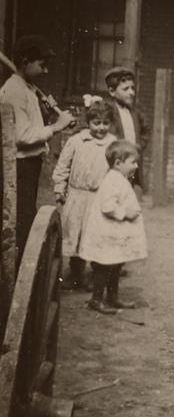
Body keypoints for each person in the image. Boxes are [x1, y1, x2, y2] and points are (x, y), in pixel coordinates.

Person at [0, 34, 74, 263]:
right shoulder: (14, 91)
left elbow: (31, 125)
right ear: (25, 62)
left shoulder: (29, 89)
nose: (46, 70)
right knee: (21, 221)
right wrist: (57, 126)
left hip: (30, 165)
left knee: (26, 216)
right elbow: (22, 136)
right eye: (42, 65)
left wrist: (47, 114)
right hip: (19, 166)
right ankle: (17, 271)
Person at [52, 97, 116, 291]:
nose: (101, 128)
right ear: (88, 122)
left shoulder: (113, 144)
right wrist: (59, 188)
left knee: (94, 237)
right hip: (77, 196)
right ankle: (75, 274)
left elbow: (117, 172)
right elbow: (63, 166)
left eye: (105, 123)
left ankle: (95, 278)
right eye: (96, 123)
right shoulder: (76, 141)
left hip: (98, 198)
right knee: (75, 235)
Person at [79, 139, 147, 314]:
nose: (136, 166)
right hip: (106, 232)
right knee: (103, 265)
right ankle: (96, 299)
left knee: (116, 263)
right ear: (118, 163)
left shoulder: (119, 178)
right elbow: (108, 207)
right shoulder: (112, 181)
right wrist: (125, 213)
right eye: (133, 162)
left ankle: (112, 297)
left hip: (114, 232)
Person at [104, 66, 150, 197]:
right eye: (125, 89)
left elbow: (146, 130)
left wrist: (138, 147)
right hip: (114, 166)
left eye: (132, 88)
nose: (131, 93)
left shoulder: (134, 112)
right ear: (112, 91)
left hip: (130, 167)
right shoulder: (108, 112)